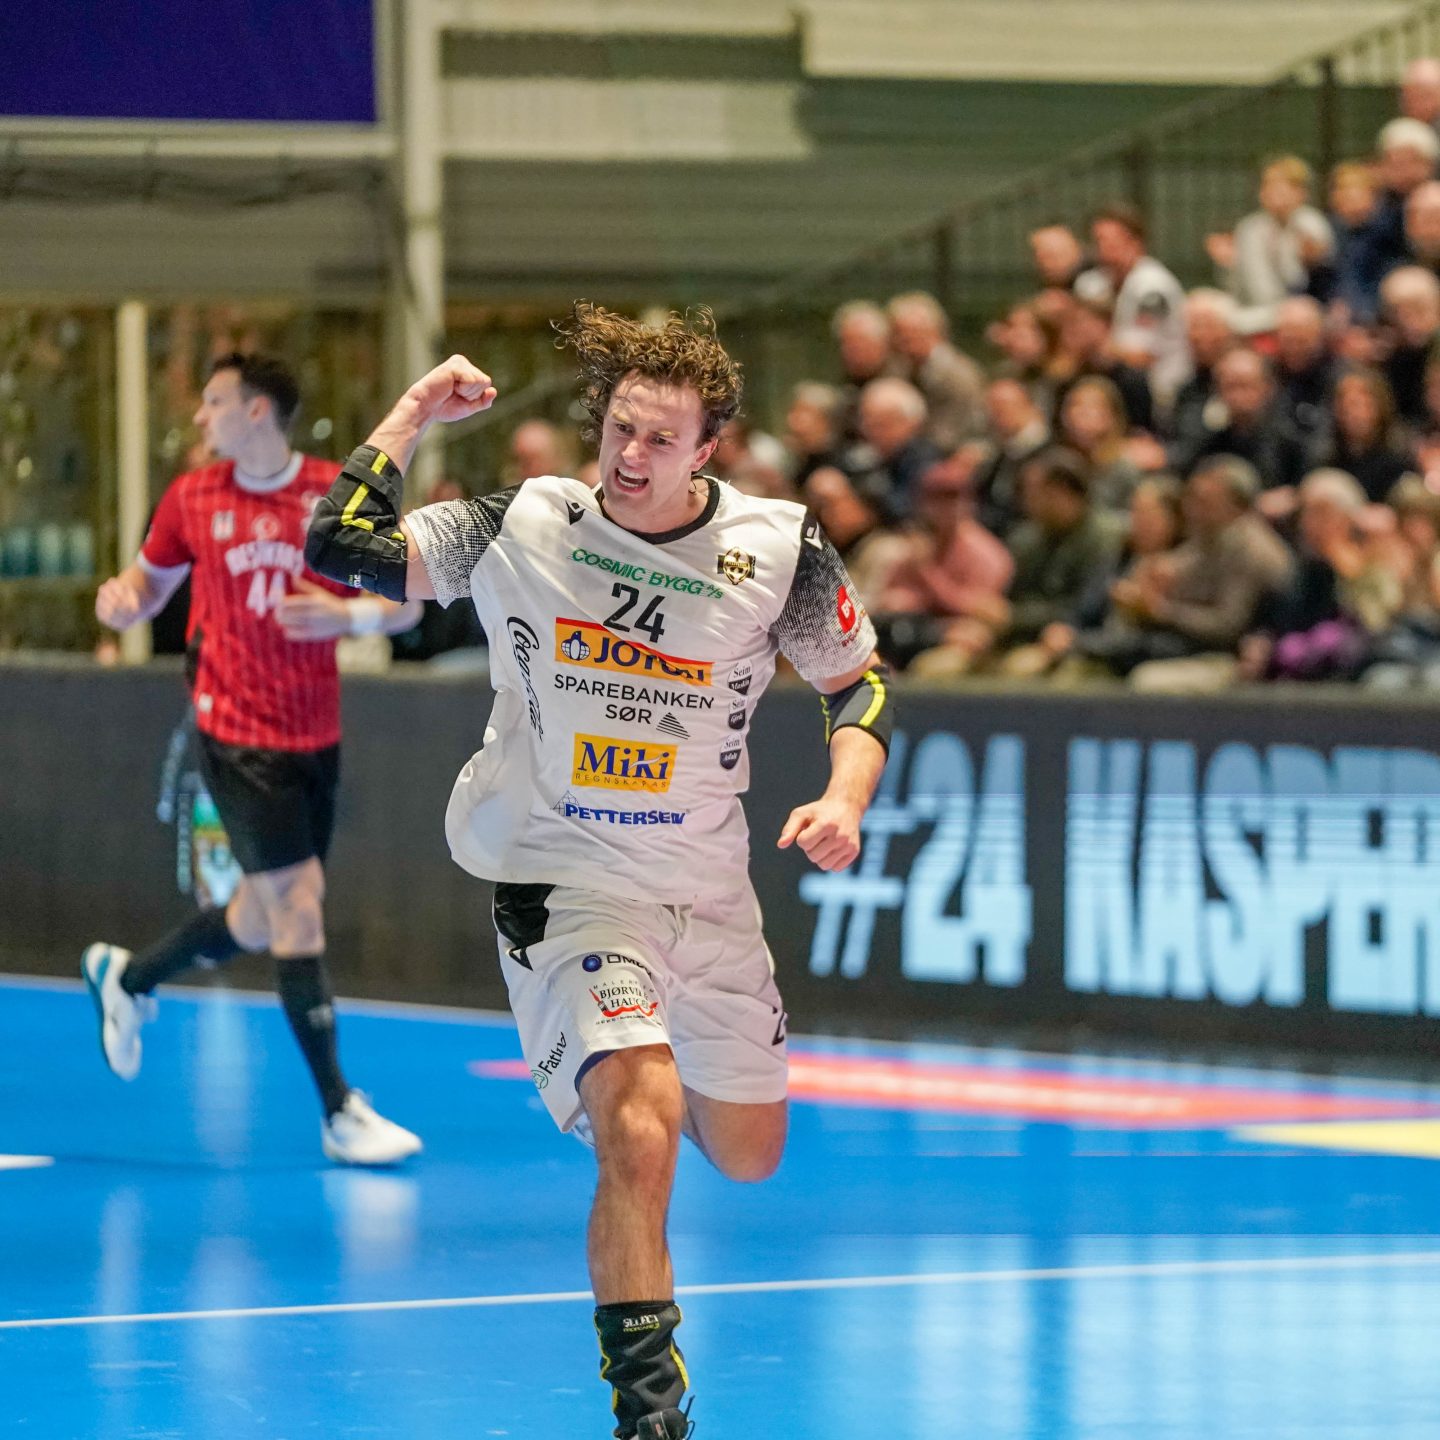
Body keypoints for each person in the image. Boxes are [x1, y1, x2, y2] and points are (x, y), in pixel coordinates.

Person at [304, 303, 891, 1440]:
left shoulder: (777, 548)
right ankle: (651, 1411)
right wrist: (415, 410)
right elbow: (342, 545)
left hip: (706, 890)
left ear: (708, 448)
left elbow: (857, 683)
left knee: (750, 1154)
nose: (633, 454)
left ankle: (619, 1090)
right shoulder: (528, 521)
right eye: (621, 427)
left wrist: (845, 797)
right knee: (640, 1120)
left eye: (662, 438)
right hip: (563, 874)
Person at [85, 353, 423, 1166]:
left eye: (214, 402)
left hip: (314, 733)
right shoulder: (192, 497)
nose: (202, 417)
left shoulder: (334, 496)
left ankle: (129, 978)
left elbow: (409, 603)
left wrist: (349, 620)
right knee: (299, 906)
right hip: (234, 733)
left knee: (261, 916)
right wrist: (121, 601)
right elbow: (145, 586)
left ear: (259, 410)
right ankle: (340, 1111)